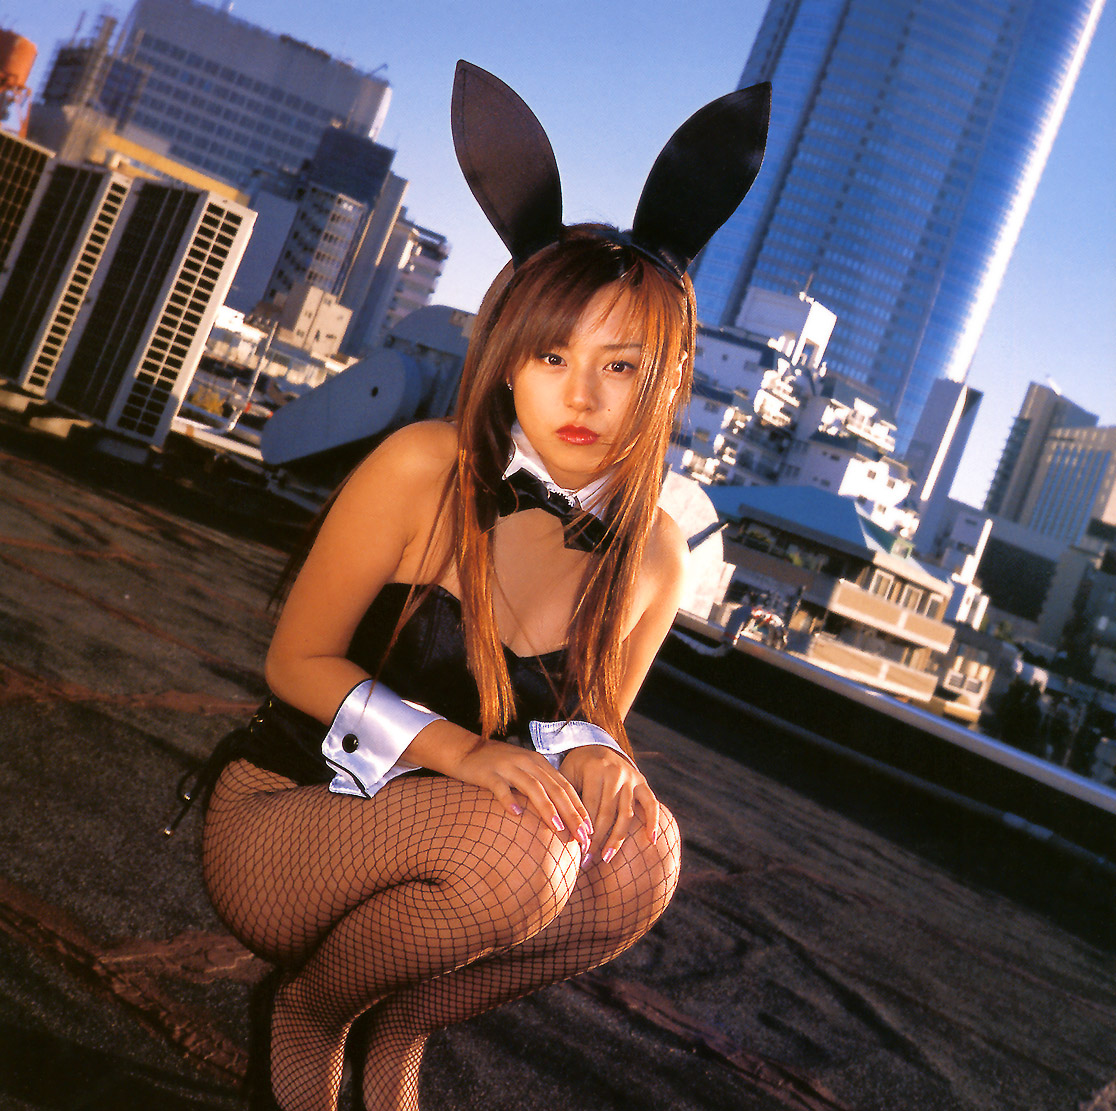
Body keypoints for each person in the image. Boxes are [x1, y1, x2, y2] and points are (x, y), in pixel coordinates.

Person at [189, 62, 769, 1111]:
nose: (581, 396)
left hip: (458, 856)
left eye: (621, 365)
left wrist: (603, 763)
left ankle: (400, 1024)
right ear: (506, 359)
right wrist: (460, 751)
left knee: (642, 859)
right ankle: (310, 1010)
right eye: (551, 357)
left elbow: (590, 720)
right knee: (515, 851)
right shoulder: (425, 465)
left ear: (672, 375)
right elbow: (294, 663)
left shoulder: (654, 556)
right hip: (291, 809)